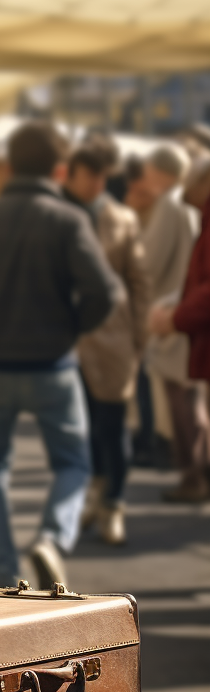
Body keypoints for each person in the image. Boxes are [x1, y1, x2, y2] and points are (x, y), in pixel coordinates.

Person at [0, 122, 119, 590]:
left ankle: (7, 574)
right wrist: (71, 329)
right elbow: (105, 291)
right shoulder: (68, 219)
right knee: (74, 462)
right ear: (61, 169)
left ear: (10, 165)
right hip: (53, 364)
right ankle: (52, 537)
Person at [63, 141, 150, 544]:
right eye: (88, 175)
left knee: (112, 427)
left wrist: (139, 338)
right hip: (67, 343)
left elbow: (139, 282)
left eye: (101, 176)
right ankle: (94, 498)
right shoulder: (58, 214)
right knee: (82, 429)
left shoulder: (122, 219)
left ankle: (113, 504)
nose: (94, 183)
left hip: (113, 341)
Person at [148, 156, 210, 501]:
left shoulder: (175, 207)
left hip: (182, 321)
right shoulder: (198, 211)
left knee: (185, 402)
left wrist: (174, 317)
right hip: (186, 319)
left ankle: (194, 476)